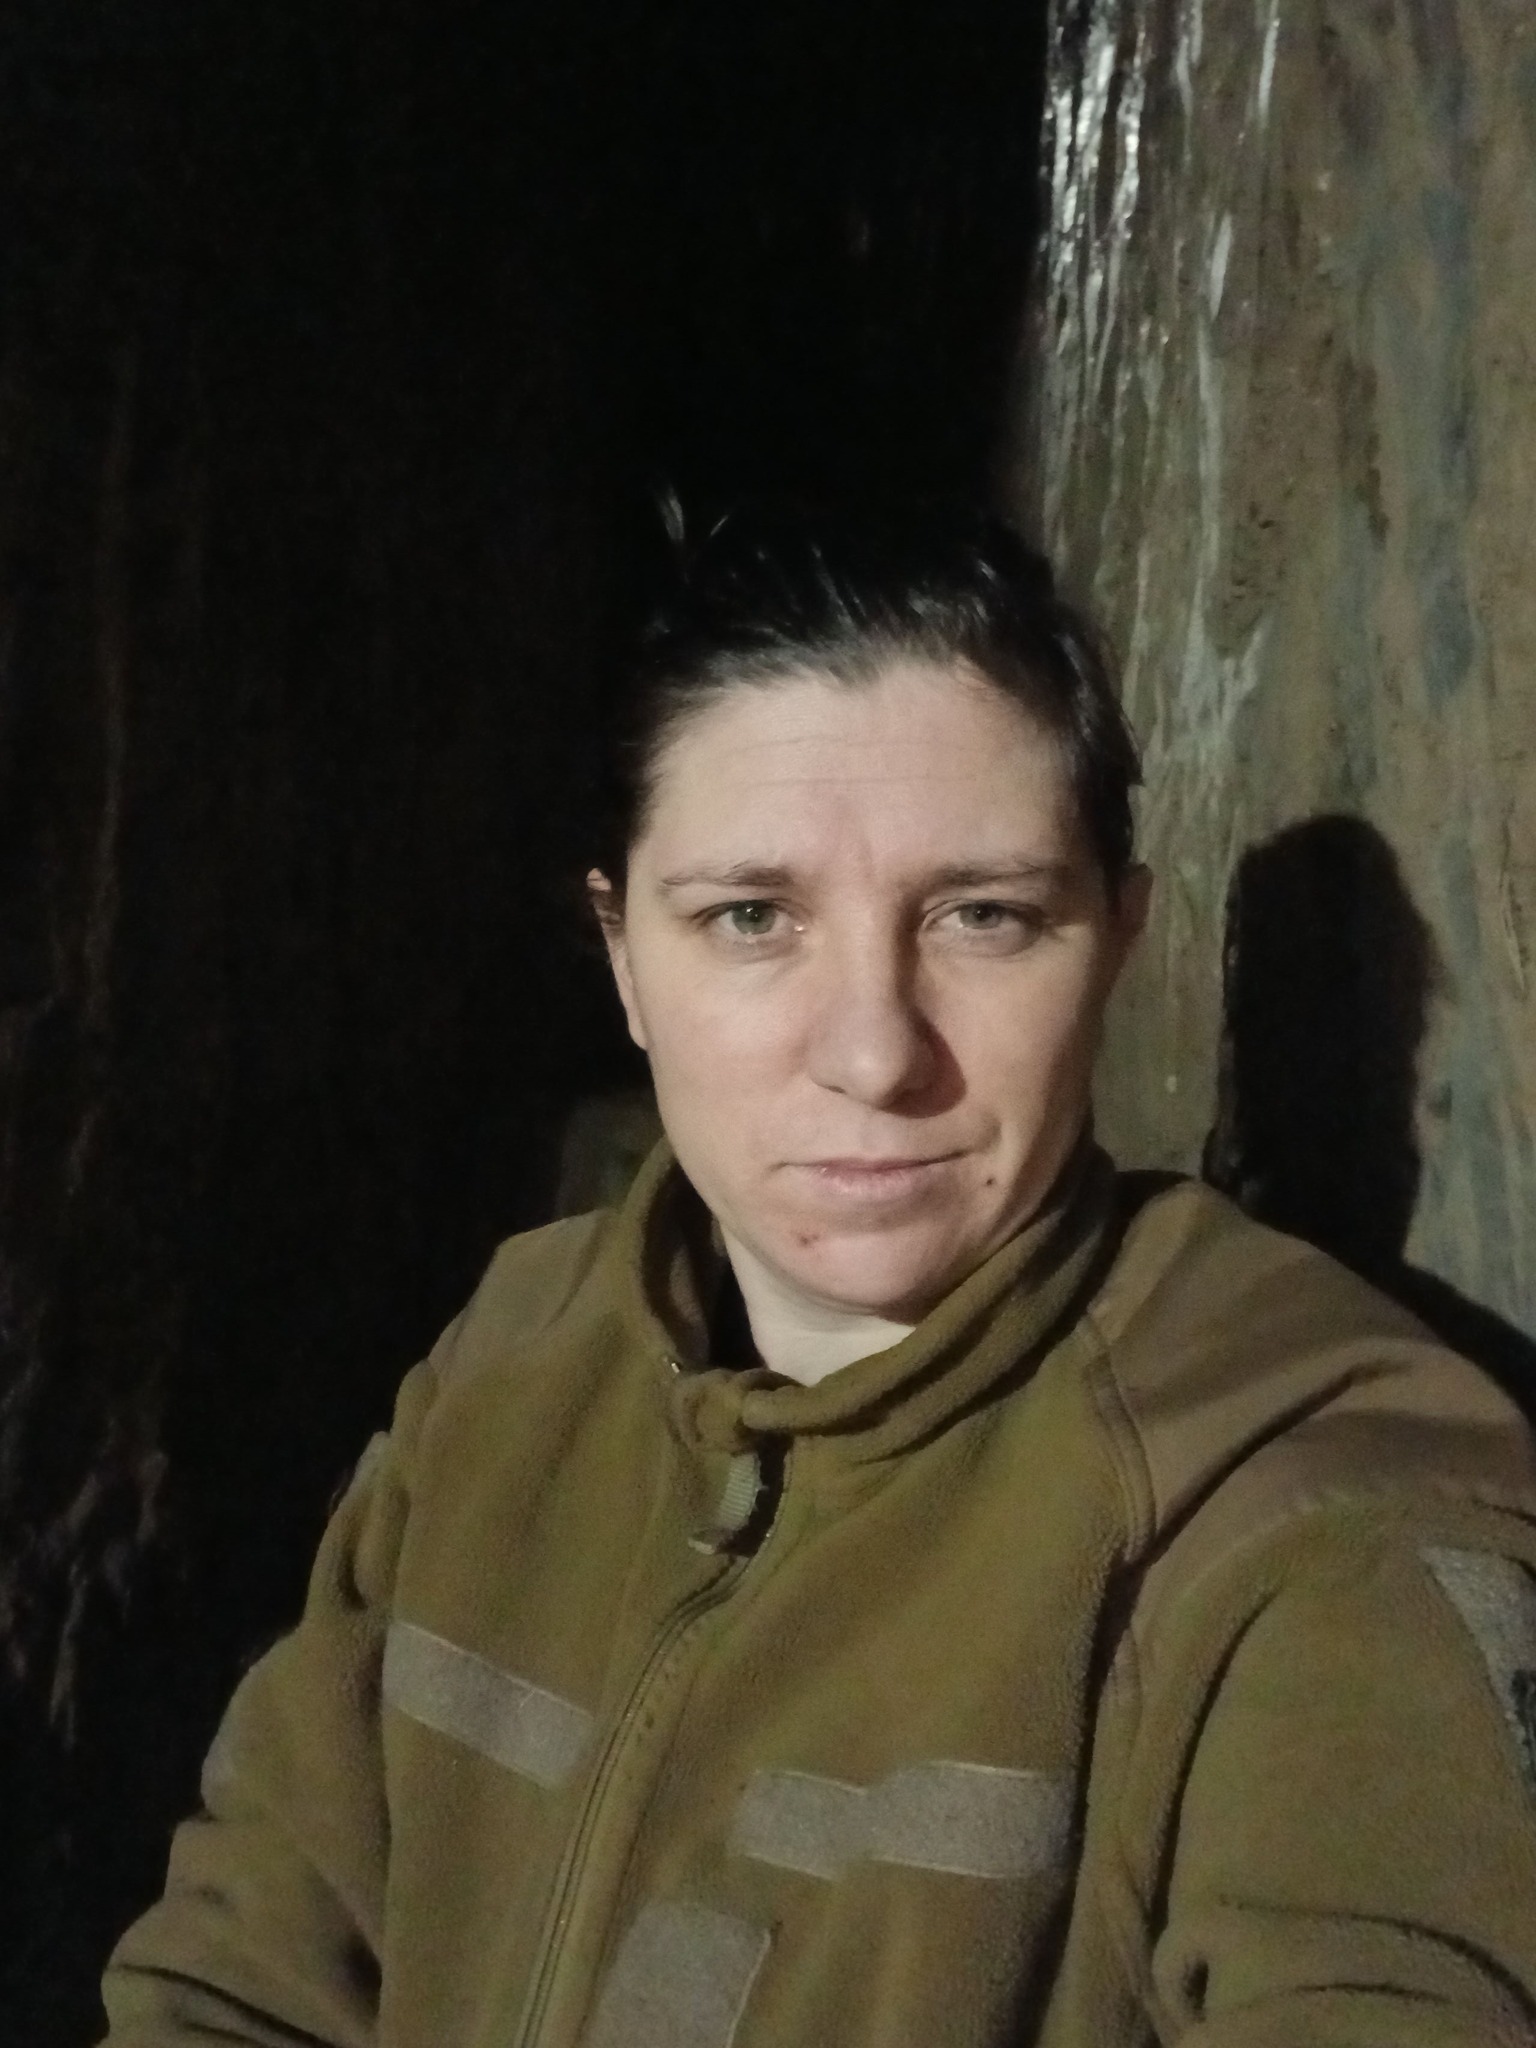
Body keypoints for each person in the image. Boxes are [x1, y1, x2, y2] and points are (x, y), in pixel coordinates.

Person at [101, 504, 1536, 2048]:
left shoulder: (1307, 1502)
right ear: (623, 957)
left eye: (983, 917)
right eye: (751, 919)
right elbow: (241, 1978)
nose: (873, 1053)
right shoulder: (519, 1355)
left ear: (1118, 940)